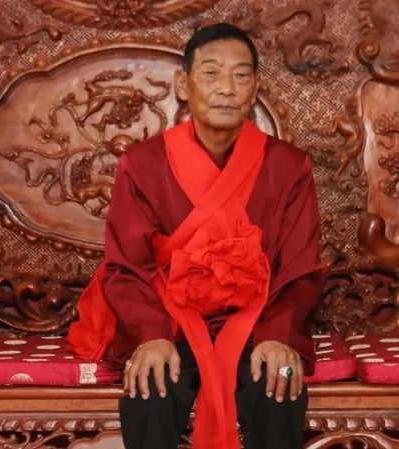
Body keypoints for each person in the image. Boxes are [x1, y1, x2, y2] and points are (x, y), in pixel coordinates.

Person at [68, 23, 325, 449]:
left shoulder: (288, 166)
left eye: (240, 75)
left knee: (280, 385)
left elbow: (301, 269)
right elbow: (126, 267)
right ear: (183, 85)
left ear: (254, 88)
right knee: (149, 390)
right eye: (211, 73)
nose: (226, 88)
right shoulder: (144, 164)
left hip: (260, 320)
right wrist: (151, 335)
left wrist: (279, 336)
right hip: (171, 320)